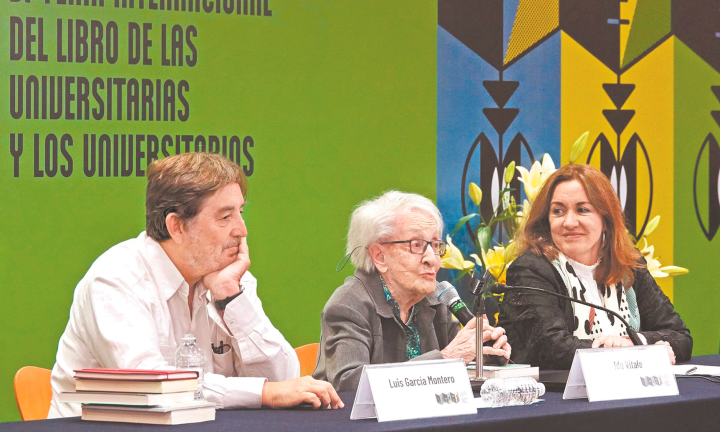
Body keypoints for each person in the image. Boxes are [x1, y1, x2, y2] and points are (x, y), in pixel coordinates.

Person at [49, 153, 342, 418]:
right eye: (225, 217)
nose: (242, 230)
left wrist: (231, 298)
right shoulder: (116, 278)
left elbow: (282, 380)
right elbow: (153, 386)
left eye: (241, 212)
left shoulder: (227, 276)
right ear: (177, 227)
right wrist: (262, 393)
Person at [497, 164, 692, 370]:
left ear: (606, 220)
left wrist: (633, 343)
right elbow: (550, 348)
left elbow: (679, 336)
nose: (570, 222)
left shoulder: (628, 266)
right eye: (558, 211)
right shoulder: (530, 269)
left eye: (583, 210)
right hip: (551, 397)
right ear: (547, 220)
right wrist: (631, 352)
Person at [313, 191, 511, 391]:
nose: (432, 259)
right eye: (416, 245)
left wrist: (485, 353)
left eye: (435, 245)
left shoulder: (434, 301)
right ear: (379, 256)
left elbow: (462, 354)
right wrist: (447, 358)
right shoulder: (348, 306)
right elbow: (350, 385)